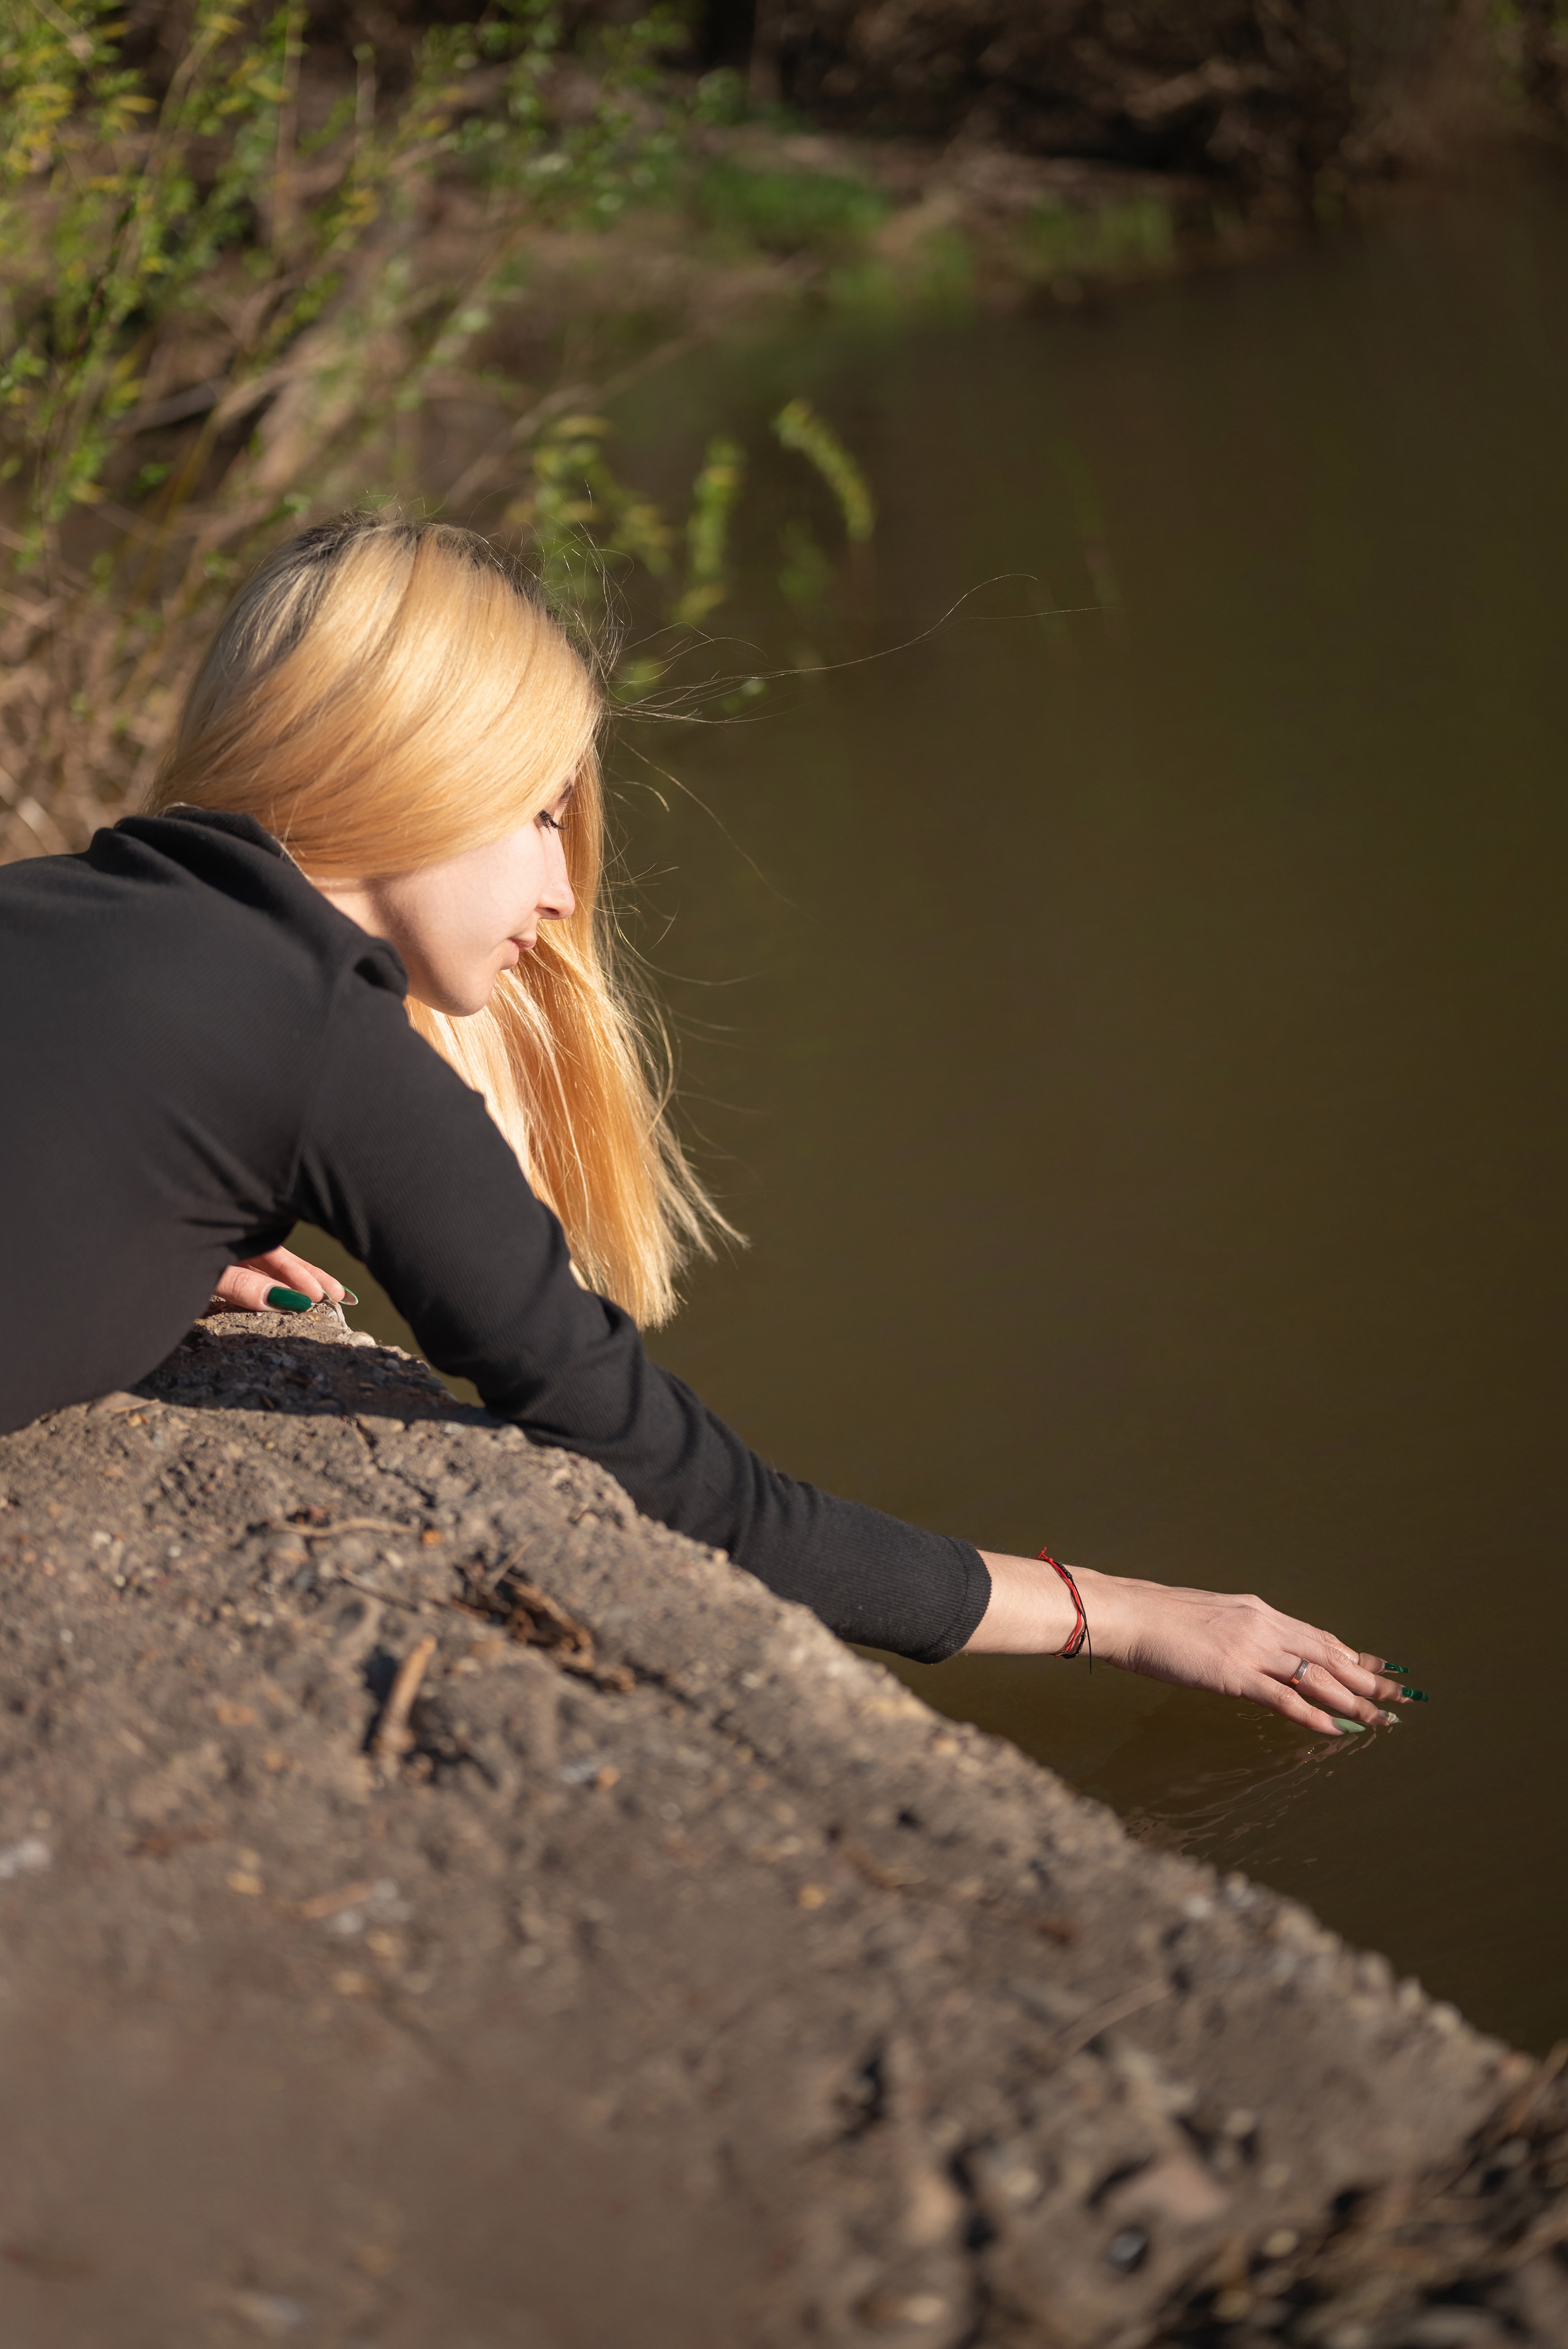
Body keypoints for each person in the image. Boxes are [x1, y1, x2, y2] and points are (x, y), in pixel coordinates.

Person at [0, 513, 1408, 1734]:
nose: (562, 892)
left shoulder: (52, 906)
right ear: (425, 768)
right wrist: (1115, 1612)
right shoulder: (322, 1034)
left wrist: (147, 1215)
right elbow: (688, 1492)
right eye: (543, 813)